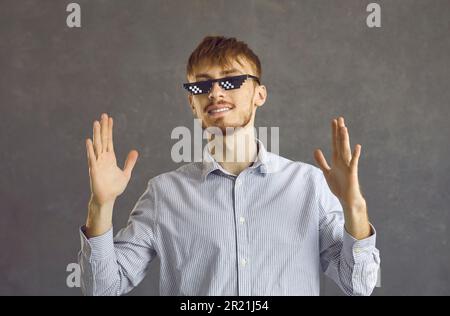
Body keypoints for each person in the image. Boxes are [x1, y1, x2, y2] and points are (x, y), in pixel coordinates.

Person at [78, 35, 380, 296]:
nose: (216, 92)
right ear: (192, 104)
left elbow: (359, 285)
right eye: (202, 85)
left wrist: (355, 206)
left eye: (232, 80)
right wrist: (100, 206)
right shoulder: (164, 193)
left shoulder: (309, 185)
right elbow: (103, 288)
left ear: (259, 94)